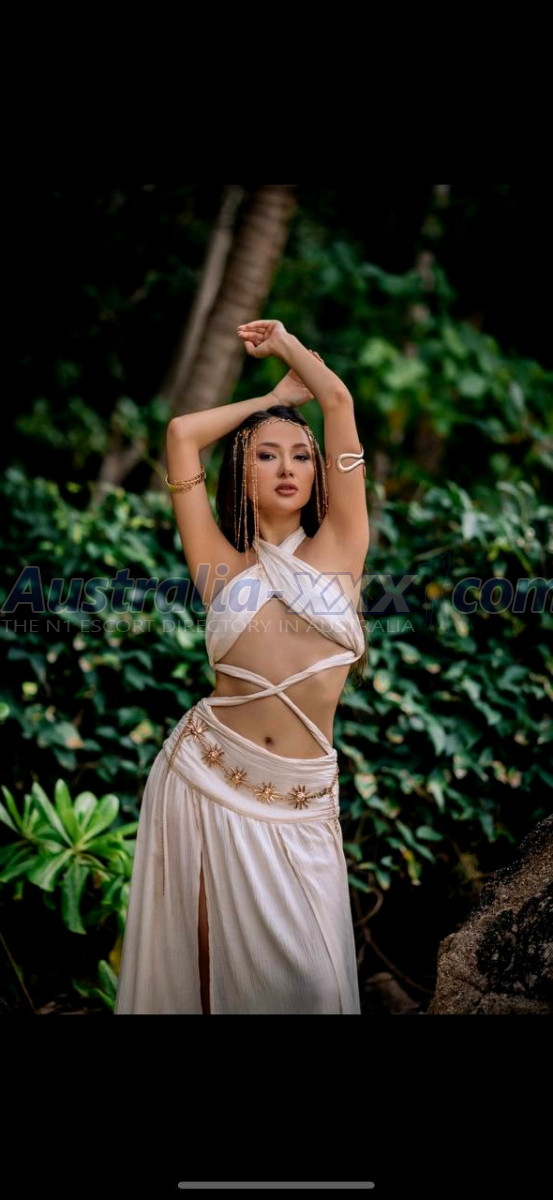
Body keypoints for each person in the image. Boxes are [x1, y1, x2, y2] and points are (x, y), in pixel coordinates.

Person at [114, 318, 370, 1015]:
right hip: (203, 778)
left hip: (299, 800)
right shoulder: (218, 565)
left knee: (313, 988)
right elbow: (181, 434)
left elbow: (338, 402)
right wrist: (271, 400)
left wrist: (288, 348)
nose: (287, 468)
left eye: (301, 455)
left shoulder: (343, 544)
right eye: (267, 455)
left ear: (319, 471)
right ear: (242, 472)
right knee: (206, 983)